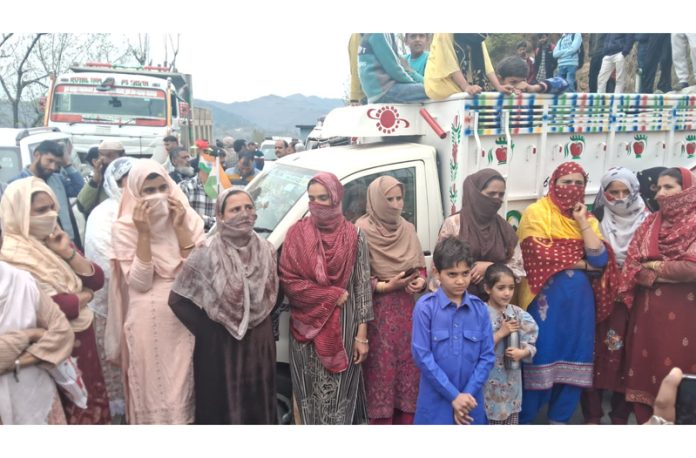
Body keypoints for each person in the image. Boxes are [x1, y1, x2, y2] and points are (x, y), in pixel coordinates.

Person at [0, 177, 110, 424]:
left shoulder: (53, 240)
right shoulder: (12, 255)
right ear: (19, 213)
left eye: (53, 209)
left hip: (82, 339)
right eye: (40, 210)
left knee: (91, 404)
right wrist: (85, 297)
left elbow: (97, 279)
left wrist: (68, 253)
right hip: (47, 352)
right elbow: (62, 307)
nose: (50, 215)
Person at [106, 159, 205, 424]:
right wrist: (144, 234)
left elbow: (196, 275)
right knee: (156, 392)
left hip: (188, 319)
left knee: (190, 389)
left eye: (163, 187)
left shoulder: (189, 219)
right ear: (135, 193)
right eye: (148, 191)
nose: (157, 196)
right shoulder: (125, 227)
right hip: (150, 325)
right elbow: (140, 282)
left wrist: (181, 227)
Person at [169, 189, 278, 424]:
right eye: (235, 209)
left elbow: (275, 293)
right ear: (220, 215)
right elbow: (178, 300)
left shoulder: (267, 250)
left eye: (248, 208)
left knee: (258, 406)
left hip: (259, 344)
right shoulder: (205, 253)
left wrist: (261, 321)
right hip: (221, 347)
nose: (244, 214)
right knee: (222, 406)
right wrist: (211, 329)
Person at [517, 162, 612, 424]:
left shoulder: (589, 219)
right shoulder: (536, 213)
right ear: (553, 183)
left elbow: (601, 258)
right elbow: (538, 254)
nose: (572, 188)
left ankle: (559, 422)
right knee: (539, 357)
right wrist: (582, 262)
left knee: (575, 359)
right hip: (544, 302)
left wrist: (581, 222)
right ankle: (523, 422)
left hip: (580, 306)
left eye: (579, 183)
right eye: (566, 182)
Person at [279, 172, 373, 425]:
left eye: (324, 198)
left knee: (339, 403)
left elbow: (362, 286)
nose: (317, 205)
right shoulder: (296, 234)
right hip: (305, 334)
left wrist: (362, 337)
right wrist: (329, 295)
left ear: (336, 198)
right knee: (309, 402)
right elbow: (289, 282)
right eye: (312, 199)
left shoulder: (354, 236)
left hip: (344, 331)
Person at [618, 167, 696, 424]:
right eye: (658, 188)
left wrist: (652, 267)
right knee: (646, 367)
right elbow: (632, 267)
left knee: (679, 375)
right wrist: (662, 270)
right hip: (648, 316)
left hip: (687, 319)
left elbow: (690, 269)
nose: (662, 194)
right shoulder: (651, 222)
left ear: (687, 190)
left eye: (669, 188)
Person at [355, 176, 425, 425]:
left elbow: (419, 268)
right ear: (375, 200)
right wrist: (386, 286)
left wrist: (420, 282)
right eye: (389, 199)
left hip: (407, 314)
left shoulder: (407, 228)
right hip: (377, 317)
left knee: (408, 374)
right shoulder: (361, 231)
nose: (396, 205)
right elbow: (357, 280)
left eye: (399, 198)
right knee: (380, 375)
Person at [581, 167, 649, 424]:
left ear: (634, 191)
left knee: (627, 357)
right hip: (599, 298)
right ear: (604, 193)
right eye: (613, 192)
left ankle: (621, 416)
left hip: (634, 299)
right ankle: (592, 415)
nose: (619, 198)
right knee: (594, 354)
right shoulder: (595, 217)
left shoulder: (648, 219)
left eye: (625, 191)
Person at [412, 236, 495, 425]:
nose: (460, 281)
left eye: (465, 273)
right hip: (435, 401)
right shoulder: (425, 308)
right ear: (436, 272)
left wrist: (465, 397)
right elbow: (422, 356)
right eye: (452, 274)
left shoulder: (479, 309)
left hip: (471, 401)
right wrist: (453, 396)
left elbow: (487, 356)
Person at [84, 157, 136, 420]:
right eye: (129, 181)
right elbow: (103, 262)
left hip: (144, 308)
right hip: (112, 306)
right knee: (116, 368)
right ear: (116, 184)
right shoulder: (104, 214)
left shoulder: (147, 207)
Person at [0, 261, 75, 425]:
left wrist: (18, 362)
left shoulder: (21, 280)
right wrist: (29, 335)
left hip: (35, 395)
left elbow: (62, 332)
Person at [435, 169, 522, 300]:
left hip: (495, 305)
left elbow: (518, 269)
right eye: (491, 194)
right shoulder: (455, 224)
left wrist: (491, 267)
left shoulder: (505, 229)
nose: (496, 199)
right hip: (458, 302)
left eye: (500, 195)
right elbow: (439, 267)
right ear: (475, 194)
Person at [483, 263, 538, 425]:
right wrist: (501, 333)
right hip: (486, 386)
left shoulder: (519, 314)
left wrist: (523, 353)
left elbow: (531, 343)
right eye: (501, 288)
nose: (507, 293)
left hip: (511, 387)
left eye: (511, 288)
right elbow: (475, 348)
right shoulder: (480, 314)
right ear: (487, 289)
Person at [10, 140, 84, 249]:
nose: (52, 167)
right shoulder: (17, 184)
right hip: (37, 246)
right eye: (49, 161)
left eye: (57, 164)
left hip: (66, 241)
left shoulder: (58, 179)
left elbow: (79, 188)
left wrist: (67, 164)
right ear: (37, 155)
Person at [425, 33, 512, 99]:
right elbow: (450, 63)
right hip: (442, 85)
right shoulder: (443, 33)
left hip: (464, 85)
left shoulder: (477, 35)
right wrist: (466, 87)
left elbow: (486, 63)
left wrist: (498, 87)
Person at [358, 33, 427, 103]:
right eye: (413, 36)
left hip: (373, 92)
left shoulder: (369, 36)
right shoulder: (378, 34)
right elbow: (393, 68)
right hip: (384, 90)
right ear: (406, 41)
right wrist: (413, 83)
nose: (417, 39)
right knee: (429, 91)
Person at [76, 140, 126, 217]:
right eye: (101, 155)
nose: (104, 160)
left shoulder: (131, 177)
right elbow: (82, 206)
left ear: (121, 156)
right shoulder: (98, 178)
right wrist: (95, 180)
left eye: (109, 156)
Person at [179, 156, 217, 231]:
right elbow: (183, 216)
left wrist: (202, 219)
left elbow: (226, 220)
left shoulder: (223, 189)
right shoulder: (185, 187)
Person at [497, 56, 569, 94]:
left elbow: (563, 83)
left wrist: (534, 88)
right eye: (513, 82)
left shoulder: (528, 92)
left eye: (523, 81)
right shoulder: (491, 96)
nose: (519, 86)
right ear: (500, 80)